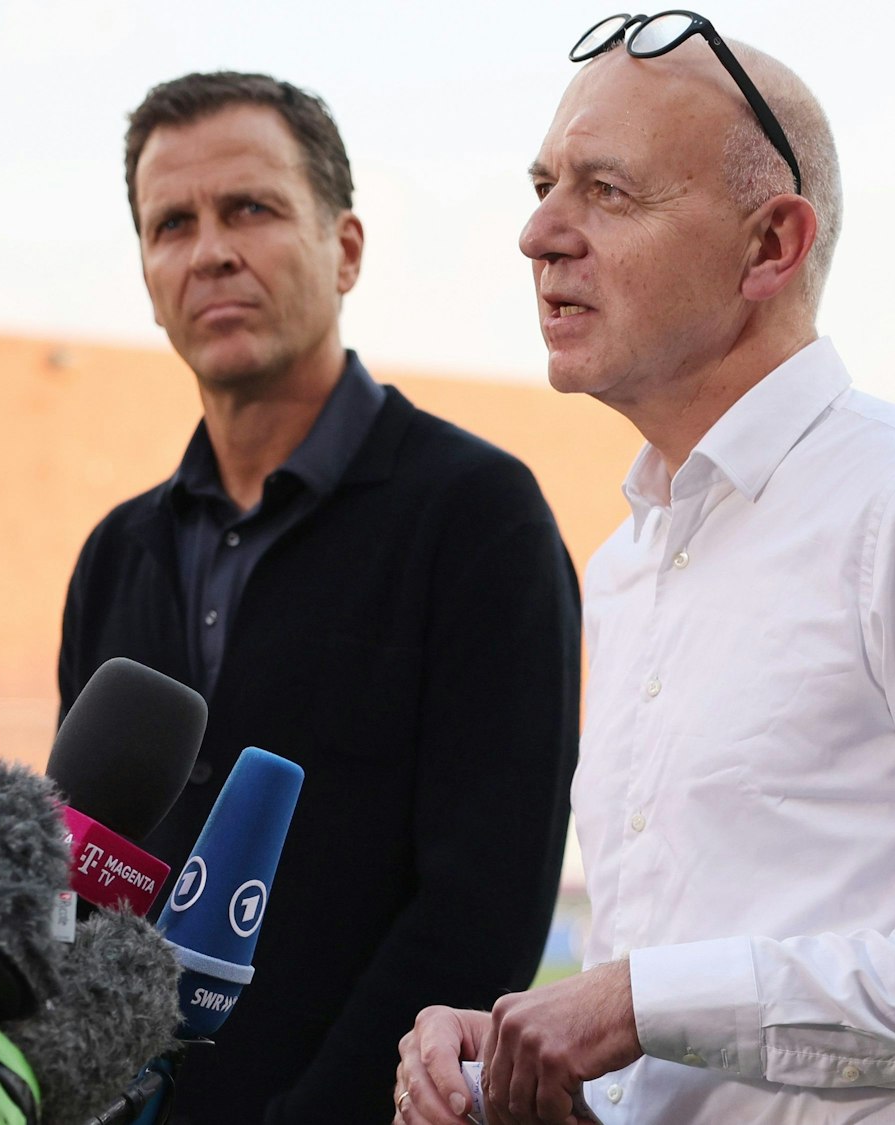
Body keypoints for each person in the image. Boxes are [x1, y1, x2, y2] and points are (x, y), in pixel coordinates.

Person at [395, 15, 895, 1125]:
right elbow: (678, 1019)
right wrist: (521, 1058)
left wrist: (638, 1003)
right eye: (543, 185)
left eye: (607, 191)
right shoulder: (626, 562)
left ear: (770, 246)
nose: (537, 233)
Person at [58, 71, 582, 1124]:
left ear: (343, 248)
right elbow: (83, 877)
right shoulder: (116, 554)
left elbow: (481, 910)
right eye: (172, 224)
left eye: (248, 209)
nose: (209, 249)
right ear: (147, 273)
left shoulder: (478, 520)